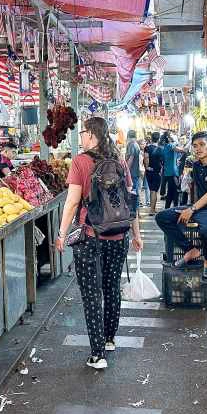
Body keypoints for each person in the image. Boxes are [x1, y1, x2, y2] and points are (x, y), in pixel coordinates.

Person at [56, 117, 143, 370]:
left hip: (90, 237)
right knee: (112, 287)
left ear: (92, 135)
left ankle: (97, 355)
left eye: (82, 132)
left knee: (92, 294)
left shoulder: (80, 162)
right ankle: (109, 339)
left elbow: (72, 203)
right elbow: (130, 203)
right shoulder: (119, 162)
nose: (80, 136)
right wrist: (136, 234)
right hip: (119, 236)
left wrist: (62, 234)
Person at [156, 131, 207, 279]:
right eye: (195, 146)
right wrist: (189, 206)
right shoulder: (196, 166)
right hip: (198, 207)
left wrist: (191, 209)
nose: (198, 149)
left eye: (202, 145)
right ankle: (191, 249)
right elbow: (197, 190)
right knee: (162, 217)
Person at [160, 132, 183, 209]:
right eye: (172, 135)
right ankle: (174, 209)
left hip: (168, 172)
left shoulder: (165, 147)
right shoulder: (171, 146)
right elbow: (182, 150)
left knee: (171, 191)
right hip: (173, 173)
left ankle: (169, 208)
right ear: (169, 138)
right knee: (173, 192)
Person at [144, 131, 163, 213]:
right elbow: (163, 162)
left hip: (150, 171)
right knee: (155, 190)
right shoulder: (161, 149)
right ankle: (152, 209)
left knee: (152, 190)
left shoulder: (147, 148)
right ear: (158, 139)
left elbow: (146, 158)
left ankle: (152, 209)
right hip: (157, 171)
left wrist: (147, 167)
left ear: (151, 138)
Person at [125, 129, 143, 202]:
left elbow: (131, 158)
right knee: (135, 191)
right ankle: (135, 209)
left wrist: (126, 170)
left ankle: (134, 210)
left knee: (132, 192)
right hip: (135, 172)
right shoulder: (136, 144)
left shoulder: (132, 144)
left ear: (128, 136)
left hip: (132, 172)